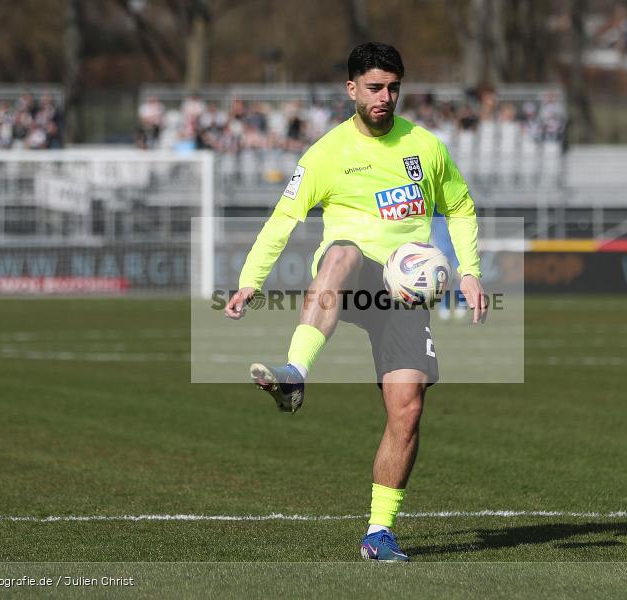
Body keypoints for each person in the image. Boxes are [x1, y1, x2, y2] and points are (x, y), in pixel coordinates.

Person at [223, 42, 486, 562]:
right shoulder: (325, 154)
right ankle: (296, 372)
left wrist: (471, 271)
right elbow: (283, 220)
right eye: (374, 88)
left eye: (392, 87)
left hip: (405, 293)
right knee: (340, 252)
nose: (385, 97)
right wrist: (251, 279)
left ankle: (380, 533)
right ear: (352, 90)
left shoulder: (427, 148)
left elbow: (459, 205)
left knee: (407, 411)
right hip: (352, 276)